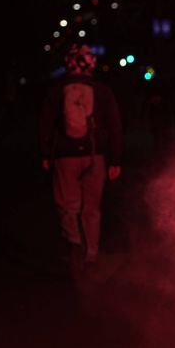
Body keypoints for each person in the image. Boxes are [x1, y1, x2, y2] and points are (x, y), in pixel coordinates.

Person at [39, 45, 123, 281]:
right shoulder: (103, 91)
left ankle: (75, 243)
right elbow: (115, 126)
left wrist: (46, 154)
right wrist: (115, 159)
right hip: (96, 156)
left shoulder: (57, 90)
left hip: (65, 157)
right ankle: (92, 255)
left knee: (68, 204)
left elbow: (45, 125)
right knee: (92, 208)